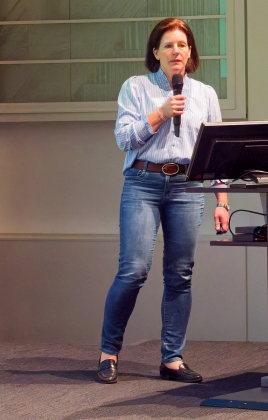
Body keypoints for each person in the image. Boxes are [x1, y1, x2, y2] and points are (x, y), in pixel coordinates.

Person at [97, 18, 229, 384]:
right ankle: (108, 352)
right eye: (168, 45)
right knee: (134, 270)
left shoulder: (205, 95)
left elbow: (216, 152)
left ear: (190, 52)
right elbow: (124, 139)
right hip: (143, 183)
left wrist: (222, 201)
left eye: (182, 45)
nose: (176, 51)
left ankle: (172, 359)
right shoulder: (136, 87)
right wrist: (160, 113)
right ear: (155, 52)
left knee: (180, 274)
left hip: (187, 187)